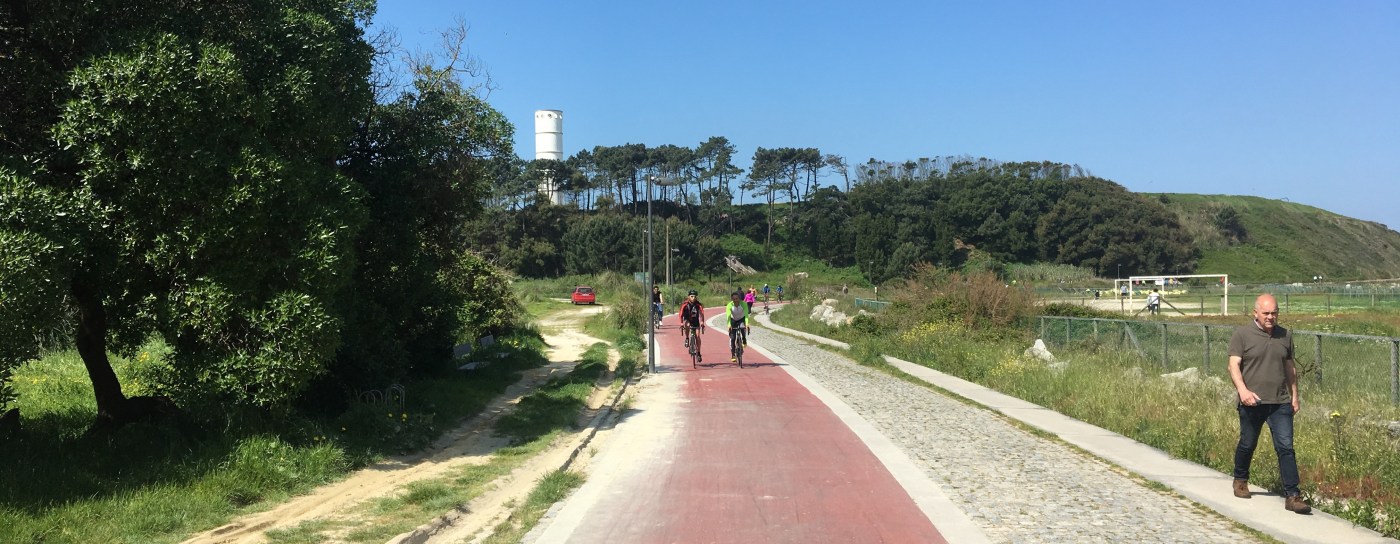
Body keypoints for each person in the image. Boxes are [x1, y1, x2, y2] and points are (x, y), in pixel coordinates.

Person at [1228, 294, 1310, 513]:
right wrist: (1243, 391)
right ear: (1255, 313)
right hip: (1252, 402)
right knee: (1248, 443)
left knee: (1286, 447)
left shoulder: (1285, 335)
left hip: (1280, 402)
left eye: (1274, 313)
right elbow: (1233, 366)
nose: (1270, 317)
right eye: (1266, 313)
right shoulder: (1242, 335)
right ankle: (1240, 479)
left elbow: (1290, 368)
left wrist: (1294, 396)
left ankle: (1293, 496)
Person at [725, 291, 753, 362]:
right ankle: (733, 354)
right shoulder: (729, 305)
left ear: (739, 298)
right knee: (733, 338)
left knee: (743, 328)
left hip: (741, 319)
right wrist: (729, 325)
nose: (735, 300)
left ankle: (744, 339)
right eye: (734, 299)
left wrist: (747, 324)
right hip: (733, 320)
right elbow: (728, 316)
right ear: (732, 299)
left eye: (737, 298)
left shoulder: (744, 304)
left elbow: (746, 315)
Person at [678, 290, 706, 361]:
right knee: (687, 324)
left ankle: (698, 353)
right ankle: (687, 338)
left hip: (695, 321)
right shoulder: (684, 304)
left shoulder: (698, 305)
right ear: (688, 297)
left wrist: (702, 322)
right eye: (691, 296)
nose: (693, 298)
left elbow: (701, 314)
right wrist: (681, 323)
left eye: (694, 297)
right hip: (687, 319)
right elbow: (680, 314)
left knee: (698, 336)